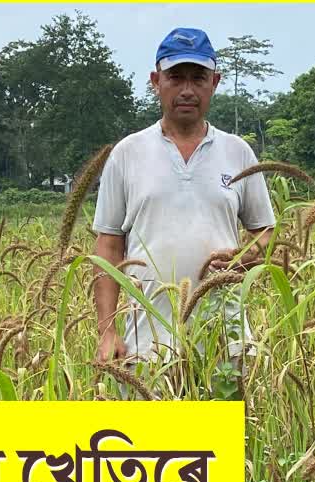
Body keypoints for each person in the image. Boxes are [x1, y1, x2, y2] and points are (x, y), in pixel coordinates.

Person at [92, 27, 275, 364]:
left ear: (215, 82)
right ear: (156, 81)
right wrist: (107, 331)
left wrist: (243, 256)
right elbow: (108, 246)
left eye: (198, 78)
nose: (187, 90)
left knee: (224, 419)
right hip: (145, 347)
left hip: (226, 342)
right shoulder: (127, 153)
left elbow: (266, 235)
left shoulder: (238, 153)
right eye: (176, 78)